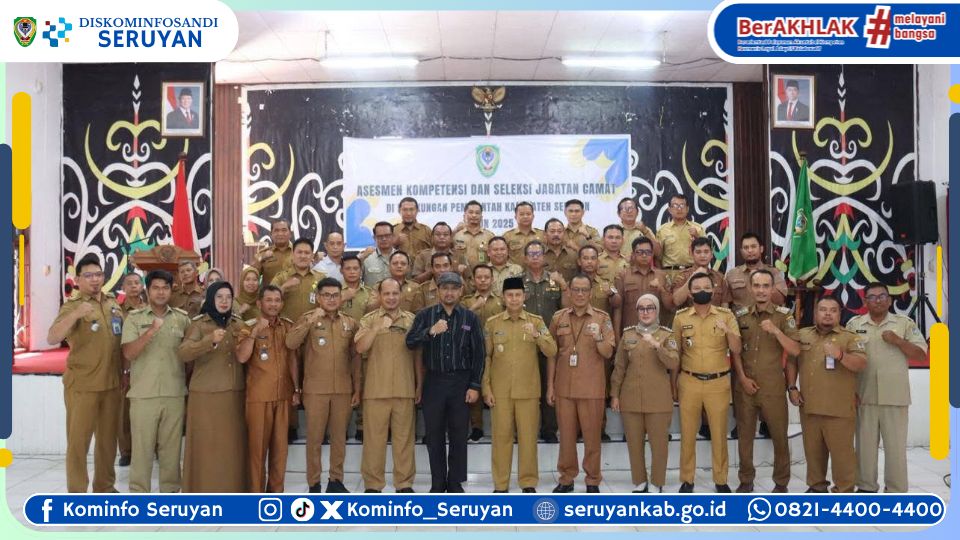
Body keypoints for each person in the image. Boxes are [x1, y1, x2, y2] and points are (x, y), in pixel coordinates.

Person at [47, 255, 124, 493]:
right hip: (83, 385)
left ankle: (105, 487)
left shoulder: (112, 303)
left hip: (111, 383)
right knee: (78, 443)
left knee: (108, 442)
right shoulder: (72, 306)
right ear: (78, 280)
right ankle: (78, 493)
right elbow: (52, 337)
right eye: (88, 275)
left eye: (98, 274)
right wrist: (76, 314)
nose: (94, 280)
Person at [406, 272, 485, 493]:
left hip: (461, 383)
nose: (449, 293)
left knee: (459, 435)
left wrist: (475, 385)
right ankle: (438, 483)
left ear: (461, 291)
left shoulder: (470, 318)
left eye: (454, 288)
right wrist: (430, 331)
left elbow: (479, 354)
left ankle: (455, 482)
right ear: (438, 291)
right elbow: (410, 342)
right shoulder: (426, 315)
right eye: (445, 288)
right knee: (434, 436)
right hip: (434, 382)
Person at [847, 283, 927, 493]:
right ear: (865, 301)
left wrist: (898, 341)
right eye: (872, 297)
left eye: (882, 296)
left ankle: (895, 490)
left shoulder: (904, 324)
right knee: (864, 448)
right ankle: (866, 488)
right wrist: (849, 391)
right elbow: (847, 359)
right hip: (864, 396)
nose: (878, 300)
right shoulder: (854, 325)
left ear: (889, 300)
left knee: (895, 449)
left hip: (895, 397)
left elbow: (921, 355)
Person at [286, 277, 361, 493]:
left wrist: (357, 388)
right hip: (315, 390)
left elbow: (355, 358)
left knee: (339, 439)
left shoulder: (349, 322)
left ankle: (336, 481)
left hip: (342, 390)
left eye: (335, 295)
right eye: (326, 295)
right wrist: (311, 320)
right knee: (314, 439)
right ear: (318, 298)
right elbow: (290, 343)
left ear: (341, 297)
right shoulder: (308, 318)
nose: (331, 299)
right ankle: (314, 483)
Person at [483, 277, 557, 493]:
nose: (514, 299)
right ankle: (501, 484)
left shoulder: (536, 321)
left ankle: (528, 482)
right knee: (501, 439)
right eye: (510, 295)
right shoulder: (492, 323)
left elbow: (551, 350)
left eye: (517, 295)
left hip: (528, 391)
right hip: (500, 392)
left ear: (524, 297)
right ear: (503, 297)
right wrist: (486, 388)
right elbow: (486, 358)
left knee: (528, 439)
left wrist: (536, 335)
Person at [121, 270, 191, 493]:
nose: (161, 292)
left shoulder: (182, 318)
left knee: (171, 450)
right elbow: (129, 353)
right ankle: (139, 494)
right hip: (144, 395)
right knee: (142, 450)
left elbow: (190, 354)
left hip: (174, 393)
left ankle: (170, 492)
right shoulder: (134, 318)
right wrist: (151, 331)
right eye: (156, 288)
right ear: (148, 290)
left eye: (165, 288)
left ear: (171, 290)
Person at [788, 296, 867, 493]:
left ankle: (844, 491)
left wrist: (840, 355)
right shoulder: (803, 334)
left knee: (842, 455)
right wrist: (792, 387)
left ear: (839, 314)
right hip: (809, 406)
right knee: (813, 453)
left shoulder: (850, 338)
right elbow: (791, 361)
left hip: (839, 409)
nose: (827, 314)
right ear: (815, 313)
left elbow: (861, 364)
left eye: (833, 310)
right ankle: (817, 487)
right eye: (823, 309)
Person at [732, 269, 800, 493]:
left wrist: (776, 332)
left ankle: (781, 482)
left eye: (765, 286)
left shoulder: (784, 316)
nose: (761, 290)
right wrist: (742, 378)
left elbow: (795, 350)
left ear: (772, 289)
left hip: (773, 387)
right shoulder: (740, 315)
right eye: (757, 286)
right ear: (750, 288)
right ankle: (746, 480)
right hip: (745, 386)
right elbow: (735, 351)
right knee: (745, 436)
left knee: (779, 436)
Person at [672, 272, 741, 493]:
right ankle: (687, 479)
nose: (702, 291)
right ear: (690, 293)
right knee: (688, 433)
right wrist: (673, 384)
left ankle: (721, 480)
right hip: (689, 381)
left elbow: (737, 349)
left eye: (706, 287)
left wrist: (727, 331)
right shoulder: (681, 318)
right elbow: (676, 354)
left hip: (717, 383)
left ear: (713, 290)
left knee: (719, 434)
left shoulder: (726, 316)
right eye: (697, 288)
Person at [547, 274, 616, 493]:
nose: (579, 294)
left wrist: (598, 338)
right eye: (575, 289)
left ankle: (593, 480)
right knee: (566, 437)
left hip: (591, 388)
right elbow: (551, 353)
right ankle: (566, 478)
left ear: (590, 293)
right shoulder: (559, 317)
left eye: (584, 290)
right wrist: (550, 386)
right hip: (564, 387)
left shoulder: (602, 318)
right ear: (569, 292)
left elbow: (608, 352)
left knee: (592, 438)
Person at [178, 281, 247, 493]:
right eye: (219, 297)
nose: (224, 301)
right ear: (210, 299)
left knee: (231, 448)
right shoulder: (200, 324)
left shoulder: (238, 323)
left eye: (228, 297)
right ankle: (203, 491)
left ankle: (233, 491)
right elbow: (184, 353)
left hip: (233, 394)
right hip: (205, 395)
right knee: (206, 447)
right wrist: (210, 340)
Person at [356, 278, 422, 493]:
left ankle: (404, 484)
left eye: (395, 293)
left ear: (401, 295)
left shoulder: (411, 320)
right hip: (376, 390)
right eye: (387, 293)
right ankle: (373, 485)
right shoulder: (368, 320)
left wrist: (419, 384)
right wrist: (376, 328)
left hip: (404, 388)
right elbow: (360, 347)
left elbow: (417, 355)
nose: (391, 298)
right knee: (374, 441)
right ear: (379, 295)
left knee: (404, 441)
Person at [610, 294, 679, 493]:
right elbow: (619, 367)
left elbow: (673, 363)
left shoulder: (666, 335)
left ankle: (657, 482)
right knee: (634, 443)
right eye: (642, 308)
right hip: (631, 398)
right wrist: (615, 394)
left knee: (659, 445)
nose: (646, 312)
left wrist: (657, 346)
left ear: (657, 311)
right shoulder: (628, 335)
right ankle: (639, 481)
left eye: (650, 308)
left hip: (658, 400)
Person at [236, 285, 297, 493]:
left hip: (283, 396)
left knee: (280, 451)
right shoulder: (248, 326)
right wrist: (255, 332)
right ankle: (256, 494)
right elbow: (241, 357)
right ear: (259, 303)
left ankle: (276, 493)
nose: (273, 304)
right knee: (257, 450)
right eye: (269, 300)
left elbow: (292, 359)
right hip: (259, 397)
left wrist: (296, 389)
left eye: (277, 300)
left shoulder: (287, 326)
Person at [521, 240, 564, 444]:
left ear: (544, 257)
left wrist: (564, 285)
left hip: (549, 341)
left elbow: (565, 307)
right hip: (525, 342)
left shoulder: (555, 280)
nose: (535, 257)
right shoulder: (517, 281)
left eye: (539, 253)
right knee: (526, 386)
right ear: (525, 258)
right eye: (531, 254)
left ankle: (549, 429)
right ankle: (526, 429)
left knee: (550, 385)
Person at [461, 264, 506, 442]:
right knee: (475, 386)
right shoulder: (466, 301)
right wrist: (474, 308)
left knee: (498, 387)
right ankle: (477, 427)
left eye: (486, 277)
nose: (483, 280)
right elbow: (461, 325)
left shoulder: (501, 300)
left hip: (497, 350)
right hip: (472, 350)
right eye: (479, 277)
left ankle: (501, 426)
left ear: (492, 279)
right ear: (473, 280)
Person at [615, 237, 673, 334]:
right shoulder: (623, 275)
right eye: (640, 252)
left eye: (648, 252)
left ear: (652, 254)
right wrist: (617, 336)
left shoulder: (662, 275)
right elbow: (618, 308)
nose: (644, 255)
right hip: (631, 332)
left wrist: (661, 289)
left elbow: (670, 306)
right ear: (633, 254)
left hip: (656, 333)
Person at [117, 272, 145, 468]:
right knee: (124, 412)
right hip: (126, 365)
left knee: (147, 410)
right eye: (130, 283)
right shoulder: (118, 311)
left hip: (147, 365)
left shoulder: (150, 308)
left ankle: (150, 448)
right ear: (123, 288)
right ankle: (126, 451)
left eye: (137, 283)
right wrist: (123, 369)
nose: (134, 286)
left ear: (142, 286)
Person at [725, 233, 788, 311]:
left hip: (767, 317)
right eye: (746, 247)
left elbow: (780, 300)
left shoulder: (773, 272)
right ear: (741, 251)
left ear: (761, 249)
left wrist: (765, 281)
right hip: (740, 317)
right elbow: (725, 303)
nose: (750, 250)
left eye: (753, 246)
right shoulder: (732, 274)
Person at [271, 237, 326, 322]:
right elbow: (269, 302)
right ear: (292, 254)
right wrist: (283, 287)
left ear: (312, 256)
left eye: (307, 253)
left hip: (313, 327)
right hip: (287, 327)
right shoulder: (281, 278)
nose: (303, 256)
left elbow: (329, 303)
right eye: (299, 252)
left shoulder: (321, 278)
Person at [672, 237, 732, 309]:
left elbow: (725, 307)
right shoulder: (683, 276)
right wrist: (693, 276)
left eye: (706, 252)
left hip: (715, 316)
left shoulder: (719, 277)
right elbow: (676, 301)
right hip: (691, 316)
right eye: (698, 252)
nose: (702, 255)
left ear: (712, 254)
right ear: (692, 254)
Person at [655, 193, 705, 273]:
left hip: (693, 272)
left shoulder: (698, 228)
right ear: (669, 209)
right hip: (670, 273)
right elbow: (657, 256)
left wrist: (697, 237)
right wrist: (661, 274)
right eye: (675, 206)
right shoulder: (662, 230)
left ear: (687, 209)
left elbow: (706, 252)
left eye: (682, 205)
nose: (679, 209)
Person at [452, 200, 495, 270]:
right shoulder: (456, 236)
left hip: (483, 275)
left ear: (481, 216)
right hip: (462, 275)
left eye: (477, 213)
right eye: (471, 212)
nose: (474, 215)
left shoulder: (490, 236)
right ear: (464, 215)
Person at [253, 219, 294, 288]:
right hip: (270, 294)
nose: (280, 233)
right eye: (276, 230)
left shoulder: (299, 253)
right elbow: (251, 274)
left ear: (290, 234)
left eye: (284, 230)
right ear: (271, 234)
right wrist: (261, 259)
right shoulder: (263, 254)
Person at [543, 218, 579, 283]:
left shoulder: (573, 255)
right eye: (552, 231)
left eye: (559, 231)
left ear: (564, 233)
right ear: (545, 234)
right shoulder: (539, 255)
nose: (556, 234)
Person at [363, 222, 396, 286]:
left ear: (393, 236)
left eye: (387, 236)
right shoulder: (366, 258)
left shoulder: (402, 258)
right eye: (380, 236)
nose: (384, 239)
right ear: (374, 238)